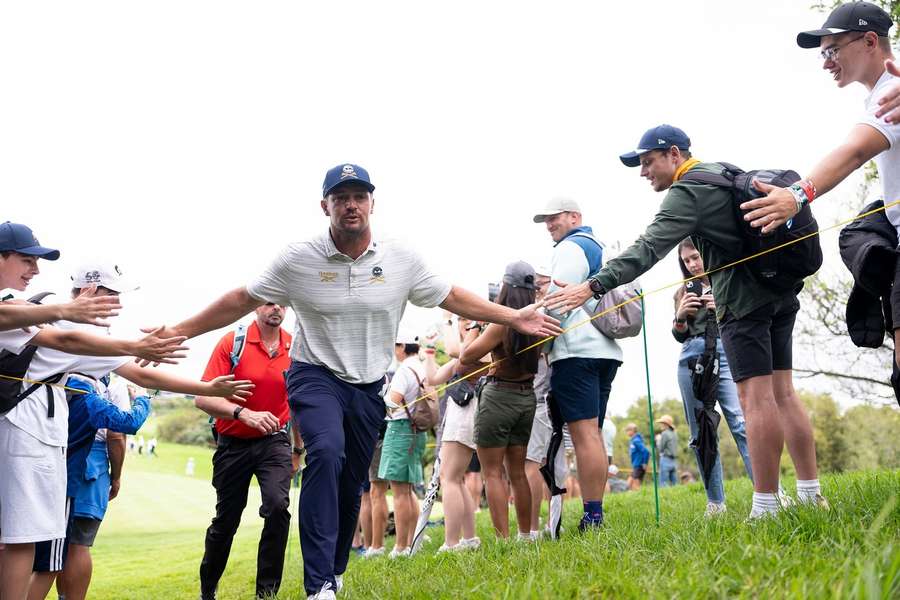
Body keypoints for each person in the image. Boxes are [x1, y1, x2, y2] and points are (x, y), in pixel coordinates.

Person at [148, 163, 561, 599]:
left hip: (368, 385)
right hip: (314, 376)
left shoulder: (399, 258)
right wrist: (179, 331)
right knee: (325, 454)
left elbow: (452, 295)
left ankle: (336, 566)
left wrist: (514, 316)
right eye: (341, 197)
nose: (351, 205)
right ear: (324, 205)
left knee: (353, 485)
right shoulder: (297, 257)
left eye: (359, 196)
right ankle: (319, 584)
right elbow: (241, 298)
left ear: (372, 204)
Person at [545, 124, 826, 519]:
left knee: (756, 399)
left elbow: (648, 249)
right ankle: (811, 493)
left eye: (648, 162)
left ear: (674, 154)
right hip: (780, 289)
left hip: (743, 301)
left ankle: (765, 506)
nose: (643, 172)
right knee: (784, 393)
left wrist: (591, 287)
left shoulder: (687, 190)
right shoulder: (722, 171)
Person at [740, 2, 900, 379]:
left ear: (870, 41)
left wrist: (795, 196)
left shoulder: (891, 92)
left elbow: (854, 151)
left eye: (832, 50)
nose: (825, 62)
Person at [194, 302, 300, 600]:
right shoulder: (232, 343)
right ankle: (207, 591)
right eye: (268, 302)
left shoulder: (296, 347)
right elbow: (202, 399)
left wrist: (298, 449)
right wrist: (243, 413)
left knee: (278, 507)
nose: (275, 308)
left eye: (281, 303)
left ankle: (266, 593)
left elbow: (298, 402)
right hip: (233, 444)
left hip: (275, 442)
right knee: (226, 521)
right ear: (256, 307)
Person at [533, 198, 623, 531]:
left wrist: (542, 344)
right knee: (594, 435)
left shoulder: (571, 248)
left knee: (584, 436)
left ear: (575, 216)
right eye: (546, 219)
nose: (549, 224)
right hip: (606, 351)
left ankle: (593, 517)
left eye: (554, 217)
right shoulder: (598, 246)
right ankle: (594, 513)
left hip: (576, 352)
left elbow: (558, 305)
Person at [461, 261, 541, 541]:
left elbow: (465, 357)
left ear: (505, 288)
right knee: (518, 472)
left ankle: (502, 540)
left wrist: (474, 327)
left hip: (498, 397)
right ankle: (526, 535)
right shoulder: (538, 319)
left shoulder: (501, 325)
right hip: (526, 397)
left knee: (492, 473)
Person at [673, 238, 755, 515]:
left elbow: (745, 318)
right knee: (701, 432)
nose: (693, 264)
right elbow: (679, 333)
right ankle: (715, 503)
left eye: (696, 257)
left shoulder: (729, 280)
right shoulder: (682, 291)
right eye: (687, 261)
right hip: (691, 355)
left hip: (726, 351)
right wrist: (680, 316)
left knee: (741, 422)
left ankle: (769, 493)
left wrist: (718, 306)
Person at [0, 222, 121, 331]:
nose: (36, 271)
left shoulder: (14, 306)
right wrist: (64, 310)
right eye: (27, 260)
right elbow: (63, 341)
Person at [427, 315, 482, 552]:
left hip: (465, 415)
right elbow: (434, 378)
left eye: (469, 321)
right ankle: (469, 539)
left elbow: (452, 350)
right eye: (461, 321)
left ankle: (452, 543)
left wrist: (447, 322)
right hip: (458, 416)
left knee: (448, 479)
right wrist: (429, 351)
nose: (464, 325)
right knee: (455, 478)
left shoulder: (480, 347)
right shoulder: (465, 352)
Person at [376, 334, 426, 558]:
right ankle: (415, 540)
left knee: (399, 492)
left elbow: (391, 403)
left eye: (395, 345)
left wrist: (380, 398)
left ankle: (401, 546)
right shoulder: (421, 366)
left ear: (403, 346)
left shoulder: (405, 369)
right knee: (408, 490)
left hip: (400, 429)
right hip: (416, 430)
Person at [625, 424, 649, 491]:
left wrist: (645, 463)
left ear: (632, 430)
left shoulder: (636, 441)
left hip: (639, 464)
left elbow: (646, 451)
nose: (627, 432)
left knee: (635, 483)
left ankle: (638, 495)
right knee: (629, 482)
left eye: (627, 430)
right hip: (635, 465)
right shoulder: (633, 440)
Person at [656, 415, 678, 488]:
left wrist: (658, 440)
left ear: (666, 424)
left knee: (663, 482)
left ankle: (664, 498)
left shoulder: (664, 433)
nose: (660, 424)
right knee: (674, 483)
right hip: (674, 460)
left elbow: (661, 448)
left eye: (662, 423)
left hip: (665, 459)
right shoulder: (674, 433)